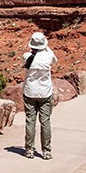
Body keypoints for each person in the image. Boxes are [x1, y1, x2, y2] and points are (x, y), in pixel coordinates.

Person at [23, 32, 57, 160]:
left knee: (30, 121)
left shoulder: (26, 56)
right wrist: (45, 46)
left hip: (30, 92)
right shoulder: (48, 56)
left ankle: (29, 149)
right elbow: (54, 58)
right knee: (45, 121)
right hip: (45, 92)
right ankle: (46, 151)